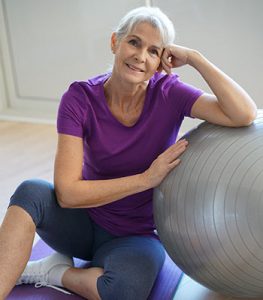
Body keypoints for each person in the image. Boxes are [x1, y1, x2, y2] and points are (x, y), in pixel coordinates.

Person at [0, 6, 257, 300]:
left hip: (136, 235)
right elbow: (67, 195)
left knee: (125, 291)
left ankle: (54, 272)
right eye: (134, 42)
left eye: (153, 51)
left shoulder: (168, 93)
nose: (141, 56)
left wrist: (196, 58)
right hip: (81, 224)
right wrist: (146, 179)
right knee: (31, 191)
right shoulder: (80, 98)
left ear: (162, 61)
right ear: (115, 42)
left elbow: (244, 113)